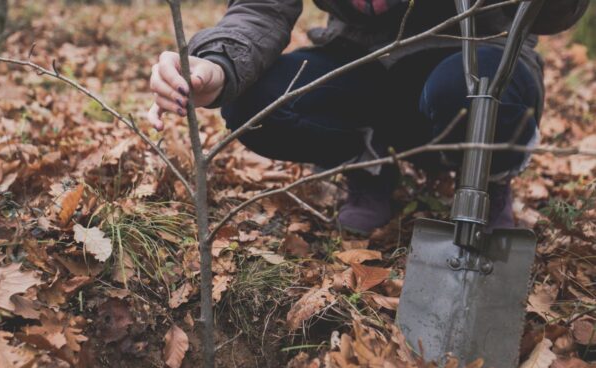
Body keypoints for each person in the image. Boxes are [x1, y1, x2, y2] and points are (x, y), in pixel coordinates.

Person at [146, 0, 589, 235]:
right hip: (362, 58)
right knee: (256, 103)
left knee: (475, 94)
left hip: (473, 51)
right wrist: (217, 63)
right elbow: (261, 9)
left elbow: (552, 13)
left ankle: (485, 179)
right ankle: (368, 162)